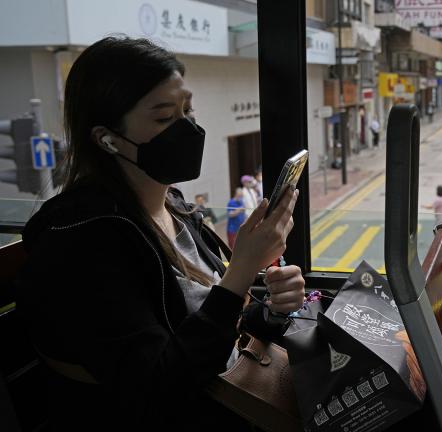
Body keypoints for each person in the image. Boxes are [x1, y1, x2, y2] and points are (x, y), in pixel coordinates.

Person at [15, 37, 305, 430]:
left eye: (189, 109)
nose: (187, 127)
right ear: (107, 138)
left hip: (234, 391)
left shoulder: (176, 206)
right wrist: (240, 273)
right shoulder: (84, 243)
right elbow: (158, 391)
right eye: (165, 117)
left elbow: (207, 322)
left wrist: (270, 309)